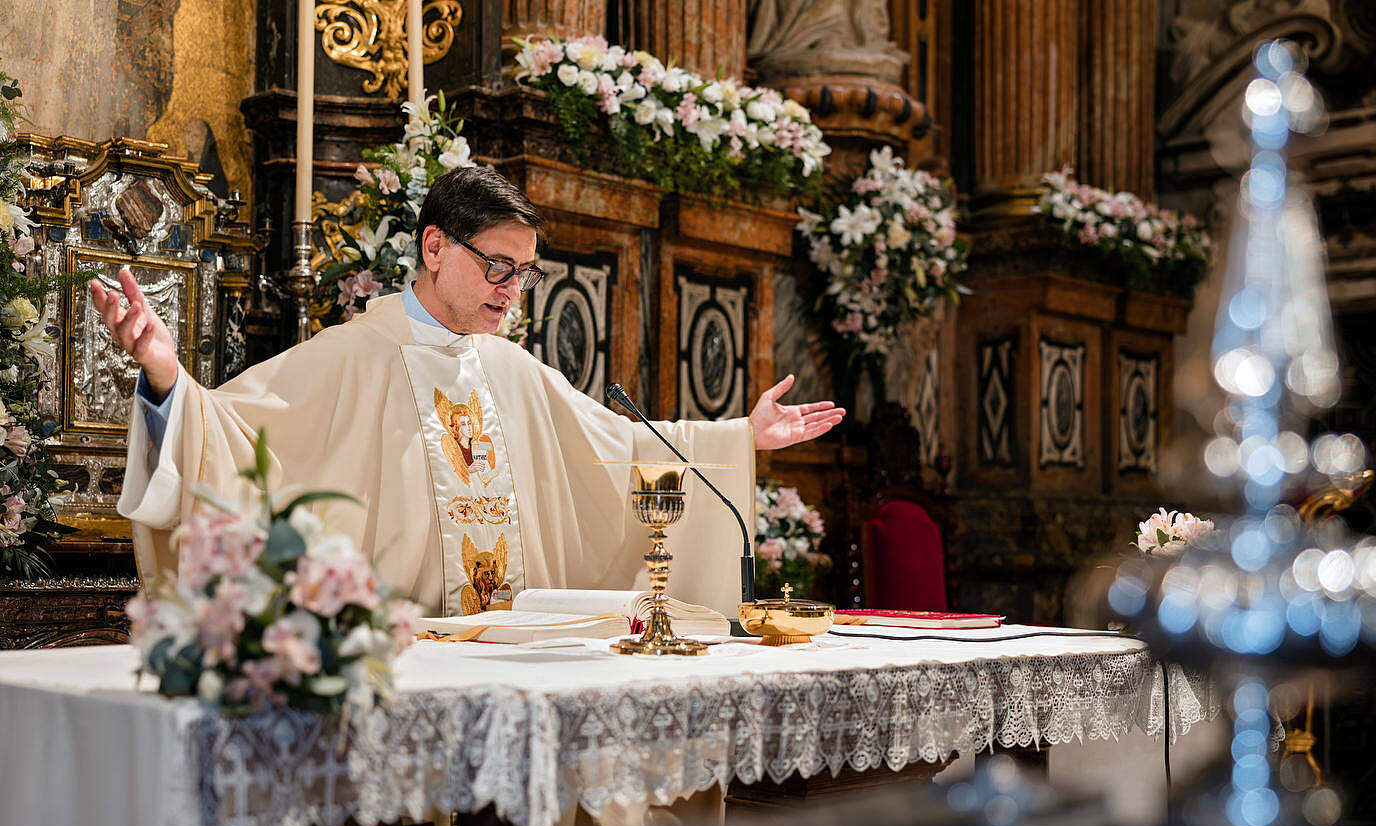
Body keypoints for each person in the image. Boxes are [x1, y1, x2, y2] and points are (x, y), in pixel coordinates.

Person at [93, 165, 844, 615]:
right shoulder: (351, 355)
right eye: (498, 267)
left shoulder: (512, 370)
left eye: (525, 274)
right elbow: (225, 436)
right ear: (434, 247)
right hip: (399, 663)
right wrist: (163, 373)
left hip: (510, 663)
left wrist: (741, 437)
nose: (512, 290)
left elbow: (624, 449)